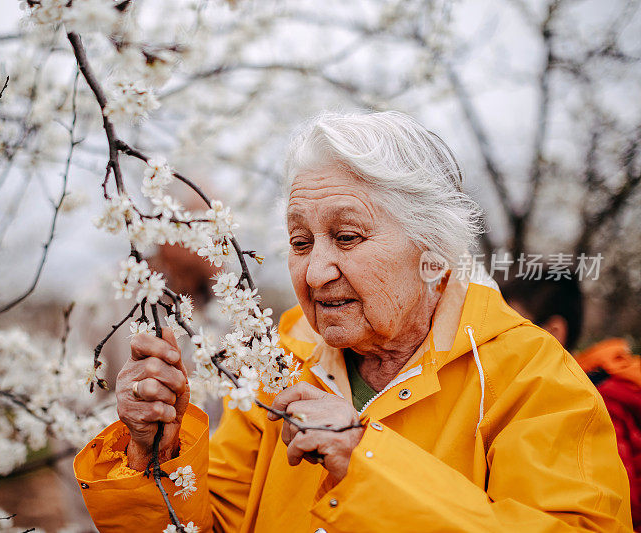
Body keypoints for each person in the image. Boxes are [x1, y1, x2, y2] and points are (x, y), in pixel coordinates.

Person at [74, 112, 632, 532]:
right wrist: (155, 459)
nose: (316, 272)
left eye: (347, 237)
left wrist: (366, 462)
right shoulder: (283, 359)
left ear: (431, 247)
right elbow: (212, 524)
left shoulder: (532, 377)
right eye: (299, 242)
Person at [503, 275, 641, 530]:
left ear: (553, 333)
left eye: (510, 328)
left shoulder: (587, 404)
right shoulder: (594, 379)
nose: (497, 342)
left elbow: (616, 506)